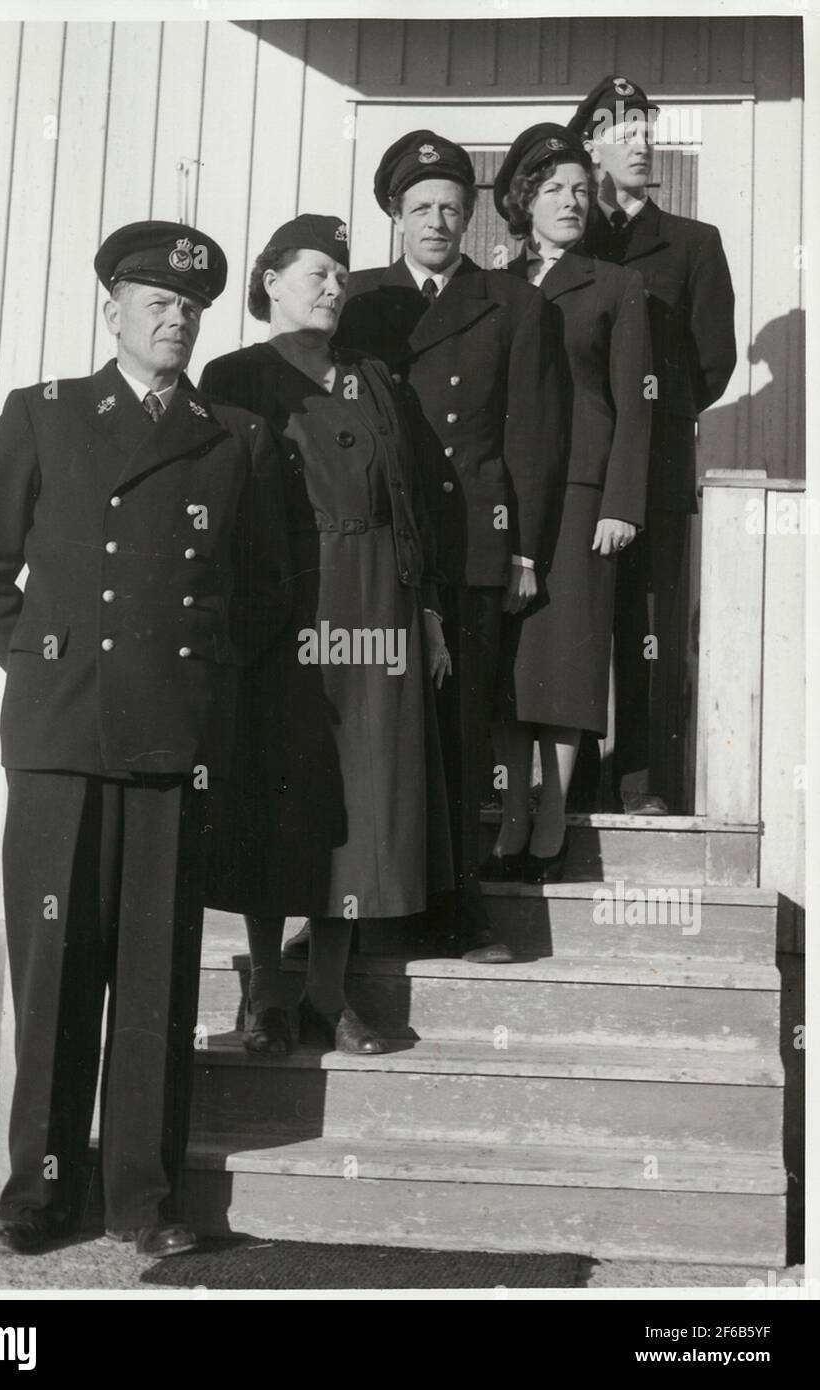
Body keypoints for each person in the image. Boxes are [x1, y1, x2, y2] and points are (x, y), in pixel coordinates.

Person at [0, 221, 291, 1257]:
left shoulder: (230, 435)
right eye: (154, 301)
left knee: (155, 976)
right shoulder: (45, 414)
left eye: (189, 305)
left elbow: (261, 595)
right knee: (53, 967)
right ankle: (39, 1198)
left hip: (167, 745)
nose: (174, 317)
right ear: (113, 309)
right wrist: (54, 664)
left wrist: (190, 689)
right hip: (57, 740)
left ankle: (145, 1200)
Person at [201, 213, 453, 1056]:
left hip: (379, 604)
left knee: (367, 796)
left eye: (341, 275)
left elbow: (408, 501)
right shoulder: (234, 374)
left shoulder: (374, 377)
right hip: (288, 608)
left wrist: (424, 613)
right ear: (270, 282)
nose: (333, 288)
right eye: (315, 273)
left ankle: (327, 992)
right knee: (282, 791)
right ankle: (264, 994)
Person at [331, 130, 564, 960]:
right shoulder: (352, 299)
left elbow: (533, 437)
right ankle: (361, 916)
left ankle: (460, 909)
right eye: (421, 208)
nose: (437, 221)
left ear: (472, 221)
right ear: (395, 215)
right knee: (374, 731)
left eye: (452, 210)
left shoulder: (514, 302)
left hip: (470, 542)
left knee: (461, 733)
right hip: (372, 548)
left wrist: (525, 552)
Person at [567, 75, 736, 814]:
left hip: (656, 467)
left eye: (646, 132)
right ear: (590, 148)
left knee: (645, 631)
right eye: (622, 133)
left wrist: (645, 423)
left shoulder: (693, 244)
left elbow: (710, 363)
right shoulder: (569, 237)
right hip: (573, 467)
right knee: (568, 620)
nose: (639, 145)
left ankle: (639, 783)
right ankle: (560, 788)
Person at [488, 124, 652, 882]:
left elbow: (632, 402)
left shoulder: (614, 285)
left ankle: (551, 808)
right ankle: (513, 804)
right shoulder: (495, 279)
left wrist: (621, 501)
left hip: (584, 493)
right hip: (511, 490)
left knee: (567, 651)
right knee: (511, 654)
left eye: (582, 191)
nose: (570, 201)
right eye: (553, 189)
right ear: (523, 200)